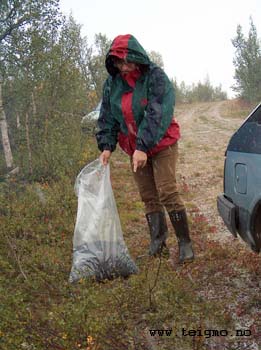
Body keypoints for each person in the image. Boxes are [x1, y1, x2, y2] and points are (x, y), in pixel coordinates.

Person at [96, 34, 194, 263]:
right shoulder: (112, 84)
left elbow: (158, 113)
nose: (123, 66)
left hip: (161, 143)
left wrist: (143, 145)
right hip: (134, 147)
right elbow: (107, 116)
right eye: (118, 62)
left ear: (137, 57)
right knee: (148, 196)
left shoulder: (156, 77)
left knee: (167, 191)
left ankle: (185, 244)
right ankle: (158, 244)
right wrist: (106, 146)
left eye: (126, 60)